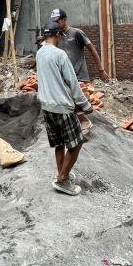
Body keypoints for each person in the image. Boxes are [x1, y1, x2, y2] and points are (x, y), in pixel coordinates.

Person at [35, 20, 94, 195]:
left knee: (59, 144)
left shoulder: (39, 53)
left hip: (47, 106)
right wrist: (85, 105)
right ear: (58, 35)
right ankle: (62, 179)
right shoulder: (60, 55)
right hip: (61, 107)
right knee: (77, 143)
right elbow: (73, 83)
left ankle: (61, 173)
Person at [49, 7, 109, 82]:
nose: (55, 24)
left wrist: (101, 70)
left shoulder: (76, 33)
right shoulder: (56, 36)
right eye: (53, 22)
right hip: (64, 78)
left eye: (57, 21)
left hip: (80, 77)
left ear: (64, 19)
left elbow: (92, 49)